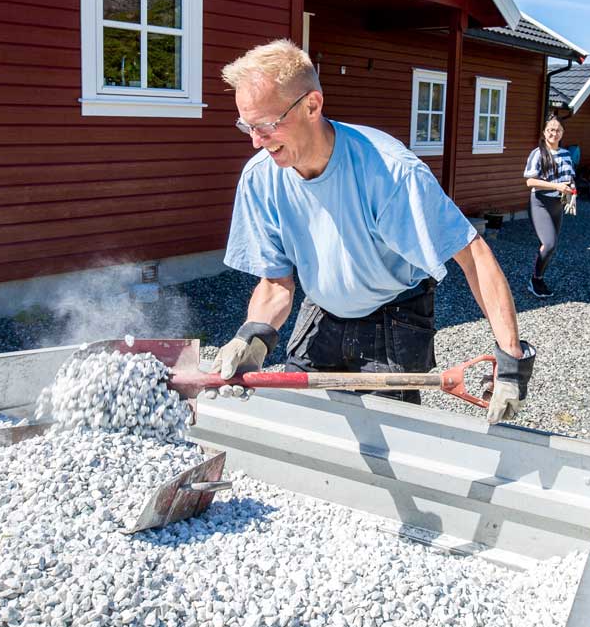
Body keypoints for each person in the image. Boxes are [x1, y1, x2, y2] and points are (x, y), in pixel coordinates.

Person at [208, 39, 534, 423]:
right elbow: (276, 284)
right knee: (306, 427)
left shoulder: (391, 172)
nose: (255, 141)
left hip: (394, 312)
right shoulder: (260, 178)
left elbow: (473, 254)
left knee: (390, 442)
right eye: (248, 125)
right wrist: (253, 335)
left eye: (267, 125)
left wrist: (510, 360)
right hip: (323, 309)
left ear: (312, 104)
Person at [522, 116, 580, 298]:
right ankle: (535, 279)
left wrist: (572, 191)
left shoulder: (565, 154)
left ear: (563, 133)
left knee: (550, 247)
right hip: (540, 202)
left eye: (558, 130)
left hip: (558, 204)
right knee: (549, 243)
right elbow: (530, 181)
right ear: (544, 133)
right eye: (551, 130)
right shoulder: (538, 154)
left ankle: (538, 278)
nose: (554, 133)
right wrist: (557, 186)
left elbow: (569, 178)